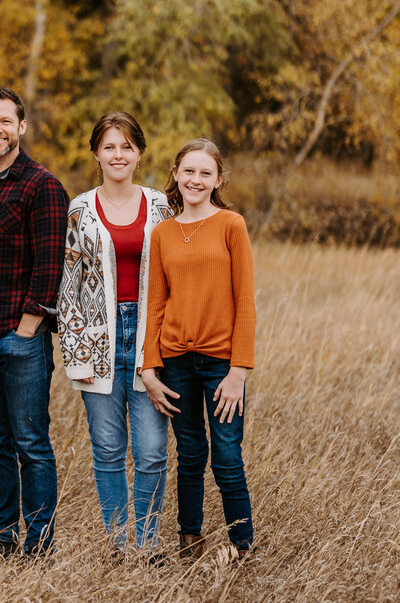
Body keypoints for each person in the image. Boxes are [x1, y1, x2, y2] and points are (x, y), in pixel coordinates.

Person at [0, 86, 69, 557]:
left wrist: (27, 327)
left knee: (31, 444)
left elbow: (50, 263)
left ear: (21, 126)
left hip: (18, 340)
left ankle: (38, 544)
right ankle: (0, 534)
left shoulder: (42, 185)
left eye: (6, 121)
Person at [58, 112, 173, 555]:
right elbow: (69, 286)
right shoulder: (80, 209)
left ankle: (147, 543)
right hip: (97, 339)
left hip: (149, 337)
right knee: (107, 450)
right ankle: (118, 544)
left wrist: (164, 345)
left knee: (152, 451)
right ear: (96, 154)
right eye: (109, 146)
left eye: (127, 146)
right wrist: (77, 356)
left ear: (139, 153)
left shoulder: (161, 206)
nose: (118, 154)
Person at [140, 138, 257, 560]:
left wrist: (238, 371)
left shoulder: (231, 225)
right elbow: (156, 303)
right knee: (189, 454)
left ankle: (243, 546)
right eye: (188, 171)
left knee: (226, 457)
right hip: (175, 362)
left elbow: (245, 301)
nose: (196, 179)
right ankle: (190, 540)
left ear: (218, 179)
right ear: (175, 174)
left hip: (222, 363)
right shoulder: (162, 233)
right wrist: (149, 367)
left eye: (206, 172)